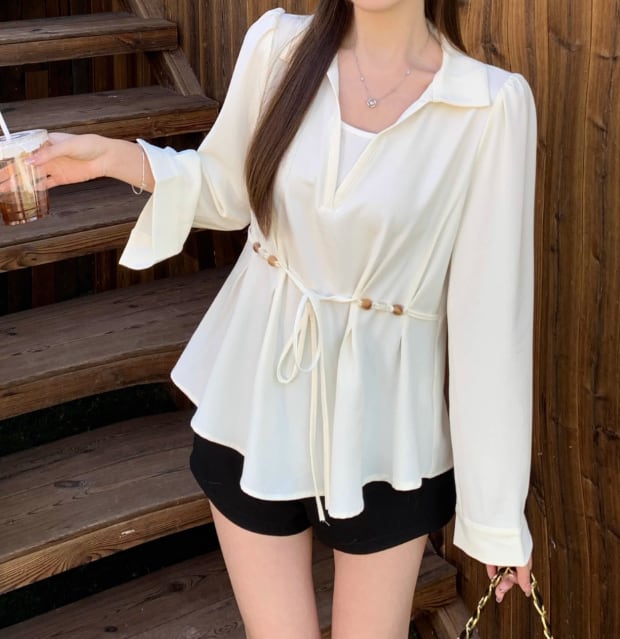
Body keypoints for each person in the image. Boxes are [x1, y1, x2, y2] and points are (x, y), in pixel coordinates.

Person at [30, 1, 537, 636]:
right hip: (255, 398)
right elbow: (225, 190)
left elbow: (491, 324)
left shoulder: (488, 106)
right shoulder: (277, 48)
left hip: (386, 430)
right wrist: (109, 157)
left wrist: (495, 517)